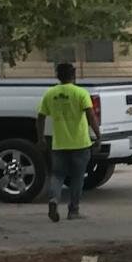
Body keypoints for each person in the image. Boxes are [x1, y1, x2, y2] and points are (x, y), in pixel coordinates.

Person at [36, 62, 99, 223]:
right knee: (78, 178)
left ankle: (54, 199)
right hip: (80, 143)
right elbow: (91, 116)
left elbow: (41, 117)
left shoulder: (50, 94)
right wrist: (98, 134)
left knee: (57, 175)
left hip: (59, 143)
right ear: (73, 75)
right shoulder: (80, 93)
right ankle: (73, 210)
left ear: (58, 76)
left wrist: (41, 138)